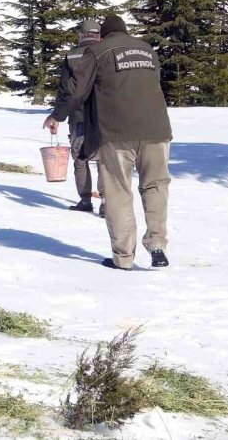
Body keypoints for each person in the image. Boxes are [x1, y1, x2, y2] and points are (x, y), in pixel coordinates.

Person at [44, 15, 172, 270]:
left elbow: (77, 91)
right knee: (156, 186)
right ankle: (157, 243)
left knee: (118, 192)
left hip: (117, 132)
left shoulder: (98, 51)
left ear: (103, 35)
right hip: (157, 130)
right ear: (126, 32)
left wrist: (57, 115)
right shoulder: (147, 50)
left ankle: (124, 257)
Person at [57, 19, 105, 216]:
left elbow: (64, 90)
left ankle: (85, 201)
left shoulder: (71, 56)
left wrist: (57, 115)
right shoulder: (107, 52)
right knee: (105, 161)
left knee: (80, 159)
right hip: (104, 116)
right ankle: (106, 204)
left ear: (81, 35)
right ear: (99, 36)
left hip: (78, 116)